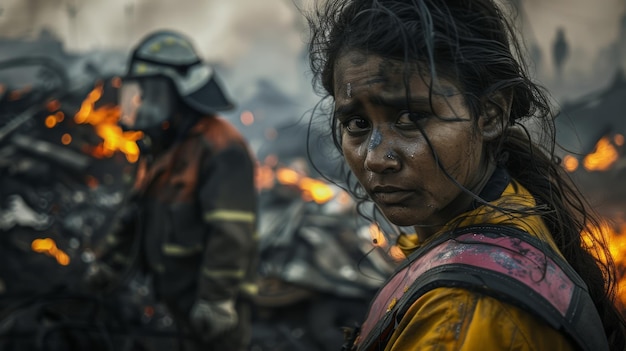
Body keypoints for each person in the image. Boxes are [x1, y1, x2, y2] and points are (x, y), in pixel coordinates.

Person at [305, 0, 626, 350]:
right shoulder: (493, 218)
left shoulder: (463, 313)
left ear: (490, 114)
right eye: (358, 124)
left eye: (411, 118)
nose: (376, 157)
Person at [85, 30, 258, 351]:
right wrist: (110, 262)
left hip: (211, 308)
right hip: (170, 299)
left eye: (150, 92)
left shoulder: (221, 147)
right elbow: (136, 214)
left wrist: (216, 301)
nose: (142, 102)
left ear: (179, 91)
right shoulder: (162, 146)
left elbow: (230, 232)